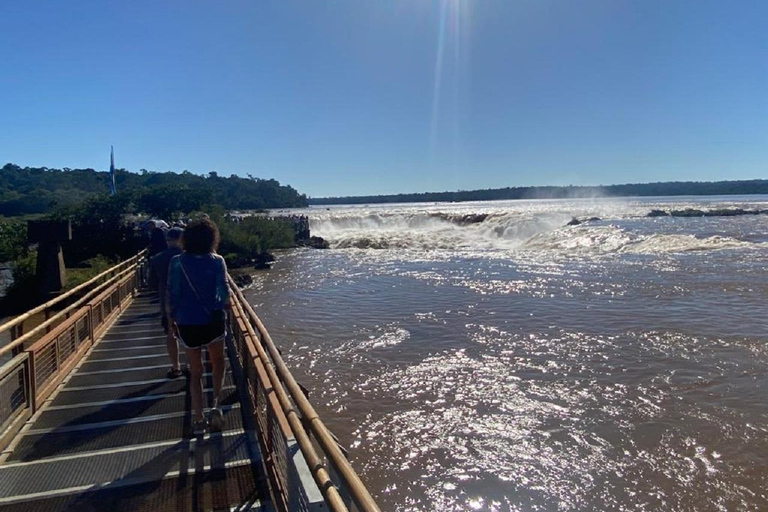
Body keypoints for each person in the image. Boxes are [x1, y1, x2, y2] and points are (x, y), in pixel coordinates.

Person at [167, 218, 230, 434]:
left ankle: (198, 419)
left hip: (187, 321)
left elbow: (173, 293)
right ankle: (216, 405)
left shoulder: (177, 262)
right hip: (213, 321)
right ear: (212, 238)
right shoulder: (217, 261)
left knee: (195, 372)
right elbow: (223, 292)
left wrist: (173, 320)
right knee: (218, 363)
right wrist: (218, 307)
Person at [149, 227, 184, 379]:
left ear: (167, 240)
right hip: (190, 302)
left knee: (171, 334)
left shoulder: (157, 258)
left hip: (167, 302)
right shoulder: (189, 257)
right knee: (193, 335)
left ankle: (176, 367)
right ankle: (194, 365)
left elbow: (151, 283)